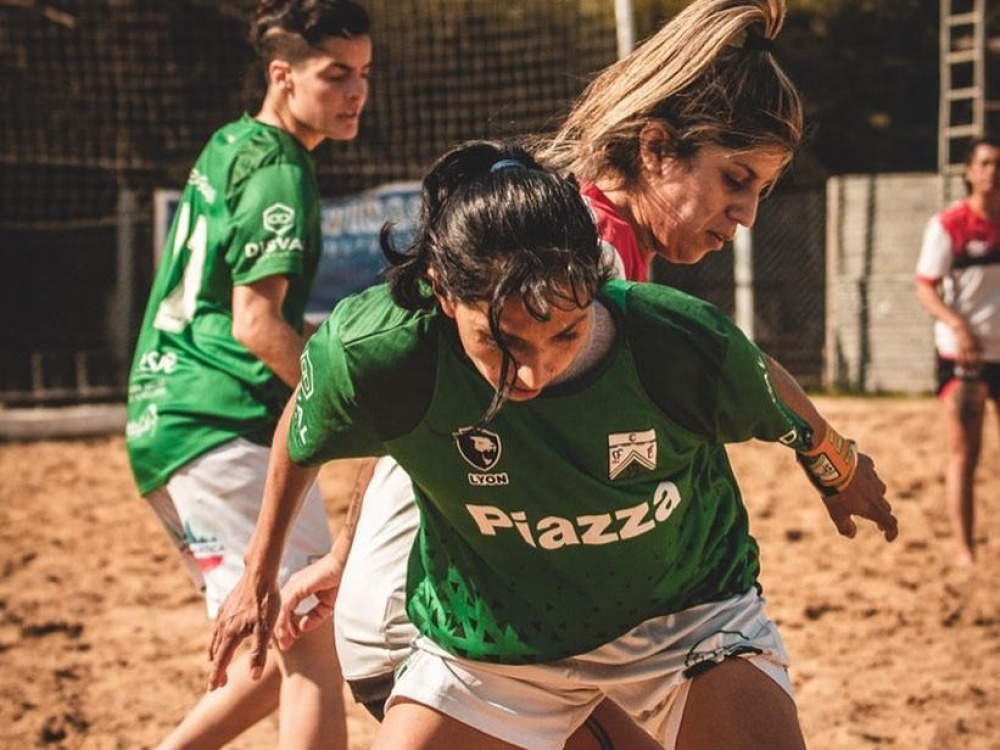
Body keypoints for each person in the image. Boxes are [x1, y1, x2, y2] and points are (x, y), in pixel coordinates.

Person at [277, 0, 891, 738]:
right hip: (461, 632)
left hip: (470, 613)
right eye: (735, 179)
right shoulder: (575, 266)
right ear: (657, 149)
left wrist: (346, 550)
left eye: (761, 188)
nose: (747, 213)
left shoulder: (561, 235)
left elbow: (411, 402)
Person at [123, 1, 371, 747]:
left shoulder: (233, 142)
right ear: (282, 75)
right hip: (217, 422)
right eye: (336, 75)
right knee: (309, 647)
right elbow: (256, 324)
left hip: (168, 421)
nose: (356, 93)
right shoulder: (280, 172)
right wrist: (351, 405)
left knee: (274, 653)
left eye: (364, 74)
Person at [915, 135, 1000, 567]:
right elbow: (925, 287)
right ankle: (965, 548)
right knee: (965, 451)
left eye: (997, 163)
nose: (992, 171)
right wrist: (957, 325)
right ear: (969, 172)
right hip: (963, 356)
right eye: (984, 163)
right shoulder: (950, 225)